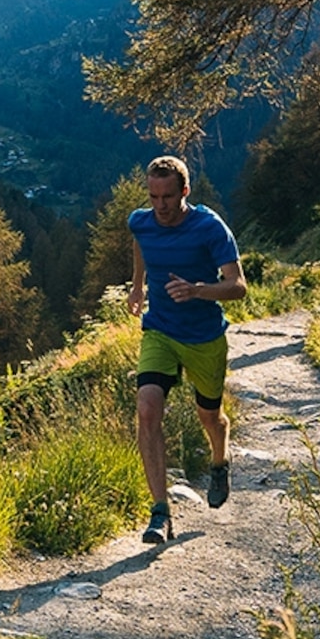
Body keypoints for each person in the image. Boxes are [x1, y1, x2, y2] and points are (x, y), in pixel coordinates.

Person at [125, 154, 245, 544]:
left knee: (210, 417)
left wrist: (197, 291)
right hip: (160, 330)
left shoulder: (210, 228)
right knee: (147, 408)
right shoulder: (140, 221)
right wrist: (138, 285)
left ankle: (219, 460)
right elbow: (141, 242)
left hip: (204, 336)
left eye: (168, 197)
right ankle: (160, 512)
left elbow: (238, 286)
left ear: (185, 192)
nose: (160, 206)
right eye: (153, 196)